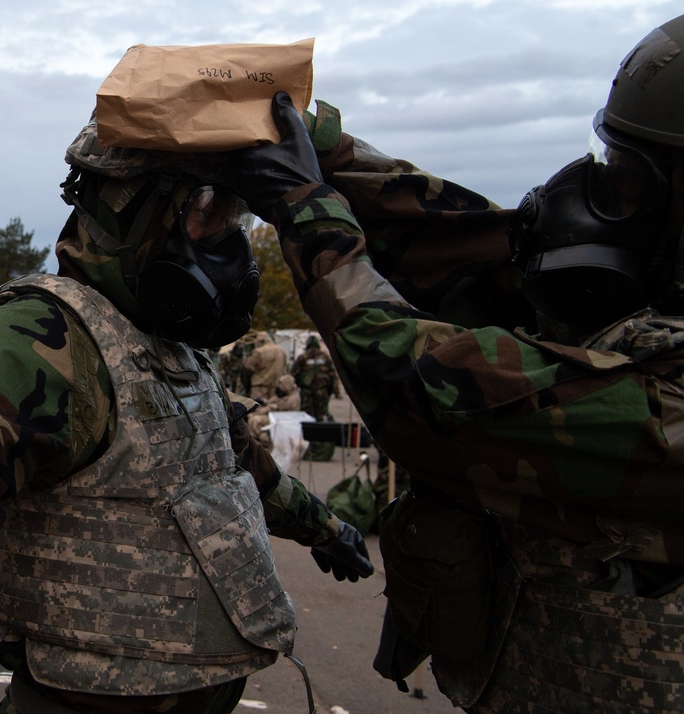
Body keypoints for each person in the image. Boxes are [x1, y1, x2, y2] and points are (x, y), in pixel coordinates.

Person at [0, 93, 375, 712]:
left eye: (235, 216)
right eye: (209, 213)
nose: (230, 240)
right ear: (132, 215)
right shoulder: (49, 335)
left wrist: (323, 527)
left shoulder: (170, 346)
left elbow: (230, 462)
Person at [220, 13, 684, 713]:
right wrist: (322, 150)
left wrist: (307, 211)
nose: (602, 208)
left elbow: (427, 389)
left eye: (625, 185)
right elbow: (470, 246)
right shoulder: (652, 304)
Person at [247, 373, 301, 449]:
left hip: (282, 419)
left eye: (281, 385)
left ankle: (261, 442)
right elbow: (272, 401)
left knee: (255, 420)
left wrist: (265, 409)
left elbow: (277, 407)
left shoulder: (292, 398)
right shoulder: (285, 394)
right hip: (275, 416)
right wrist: (265, 402)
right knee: (252, 417)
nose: (279, 387)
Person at [290, 335, 338, 421]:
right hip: (322, 391)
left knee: (306, 416)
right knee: (321, 415)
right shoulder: (325, 357)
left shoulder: (303, 357)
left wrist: (298, 384)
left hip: (306, 391)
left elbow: (294, 374)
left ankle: (307, 432)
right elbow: (333, 375)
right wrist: (334, 391)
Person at [243, 332, 288, 403]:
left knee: (256, 411)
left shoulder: (259, 351)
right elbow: (285, 368)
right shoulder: (282, 351)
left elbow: (248, 367)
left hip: (259, 387)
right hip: (276, 388)